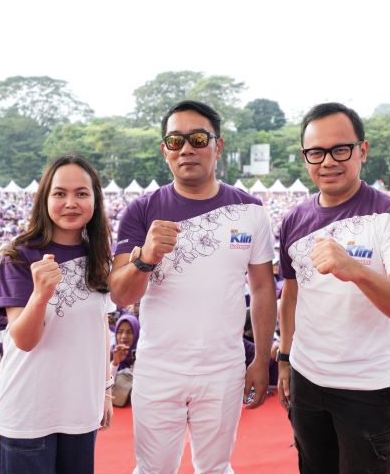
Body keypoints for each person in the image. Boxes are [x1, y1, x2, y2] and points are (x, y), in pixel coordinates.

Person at [109, 100, 277, 474]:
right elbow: (121, 294)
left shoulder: (250, 209)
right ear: (164, 150)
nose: (187, 148)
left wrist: (261, 358)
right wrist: (146, 257)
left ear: (218, 146)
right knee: (153, 469)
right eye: (175, 140)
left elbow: (263, 289)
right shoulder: (141, 210)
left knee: (215, 468)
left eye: (198, 138)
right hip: (159, 366)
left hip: (223, 367)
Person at [276, 102, 390, 474]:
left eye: (340, 149)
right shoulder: (295, 219)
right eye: (316, 152)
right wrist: (284, 359)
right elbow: (291, 295)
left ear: (363, 149)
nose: (328, 161)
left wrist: (356, 271)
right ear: (305, 157)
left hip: (367, 386)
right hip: (306, 378)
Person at [0, 155, 113, 474]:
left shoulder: (99, 258)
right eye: (60, 193)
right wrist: (40, 294)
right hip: (28, 411)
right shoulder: (19, 256)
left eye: (82, 193)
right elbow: (24, 339)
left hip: (80, 410)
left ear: (95, 200)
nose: (71, 202)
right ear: (45, 199)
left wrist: (105, 388)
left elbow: (100, 324)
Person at [109, 313, 139, 407]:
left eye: (129, 332)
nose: (124, 336)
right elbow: (104, 385)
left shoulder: (143, 354)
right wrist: (115, 362)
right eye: (120, 331)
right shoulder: (110, 353)